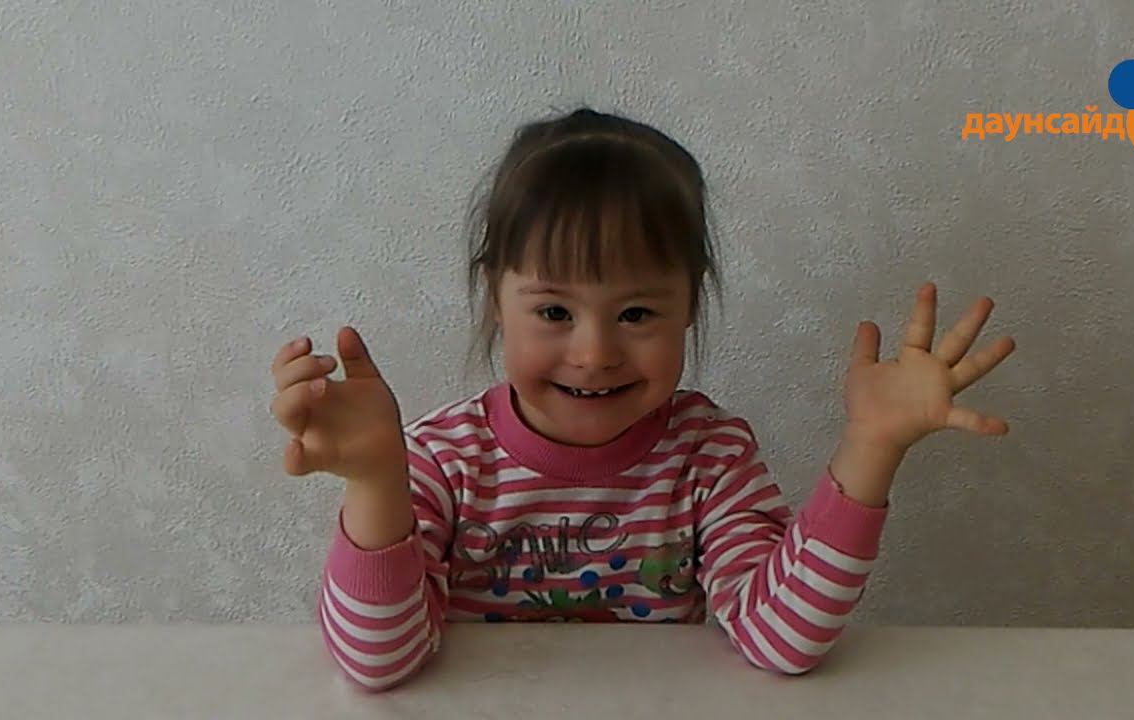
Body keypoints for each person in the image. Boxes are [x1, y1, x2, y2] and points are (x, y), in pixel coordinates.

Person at [267, 106, 1016, 692]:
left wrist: (871, 447)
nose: (595, 352)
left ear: (689, 305)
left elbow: (782, 642)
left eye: (635, 313)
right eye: (554, 311)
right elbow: (376, 663)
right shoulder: (441, 459)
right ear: (496, 299)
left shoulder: (709, 458)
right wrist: (377, 480)